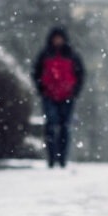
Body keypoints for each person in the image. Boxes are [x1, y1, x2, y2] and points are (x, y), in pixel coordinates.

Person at [33, 27, 84, 168]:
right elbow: (36, 73)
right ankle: (51, 158)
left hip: (67, 96)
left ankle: (62, 159)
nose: (58, 41)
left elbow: (80, 74)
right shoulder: (45, 54)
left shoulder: (72, 55)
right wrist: (42, 89)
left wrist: (74, 91)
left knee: (64, 128)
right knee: (50, 126)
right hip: (49, 95)